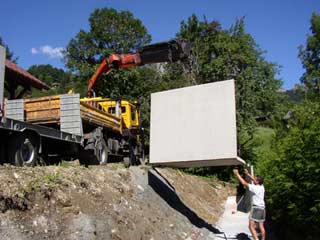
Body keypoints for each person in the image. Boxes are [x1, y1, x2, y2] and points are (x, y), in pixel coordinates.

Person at [233, 168, 265, 240]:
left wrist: (237, 174)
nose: (254, 180)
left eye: (255, 179)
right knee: (261, 226)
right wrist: (247, 174)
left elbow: (244, 183)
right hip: (262, 208)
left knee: (251, 227)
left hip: (256, 208)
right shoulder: (262, 186)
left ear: (257, 181)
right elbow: (254, 179)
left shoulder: (255, 188)